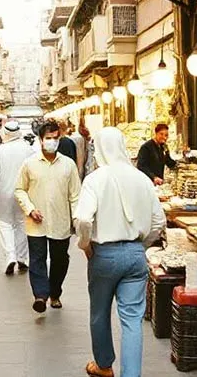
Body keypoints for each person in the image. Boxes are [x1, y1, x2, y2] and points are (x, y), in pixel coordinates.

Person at [76, 127, 166, 377]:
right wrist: (141, 245)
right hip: (135, 256)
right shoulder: (141, 178)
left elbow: (83, 219)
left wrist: (86, 245)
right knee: (132, 320)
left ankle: (104, 366)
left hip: (104, 255)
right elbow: (159, 221)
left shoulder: (95, 179)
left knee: (100, 312)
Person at [15, 120, 81, 312]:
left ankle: (55, 292)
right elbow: (19, 190)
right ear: (40, 140)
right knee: (37, 259)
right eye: (48, 138)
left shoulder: (68, 165)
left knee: (60, 260)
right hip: (36, 222)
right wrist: (30, 209)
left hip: (61, 222)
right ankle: (40, 296)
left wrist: (76, 219)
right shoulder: (29, 164)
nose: (52, 142)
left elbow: (75, 195)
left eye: (55, 138)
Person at [0, 121, 33, 275]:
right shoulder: (29, 149)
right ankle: (21, 257)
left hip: (3, 193)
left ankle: (10, 256)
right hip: (24, 193)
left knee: (4, 224)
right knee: (21, 224)